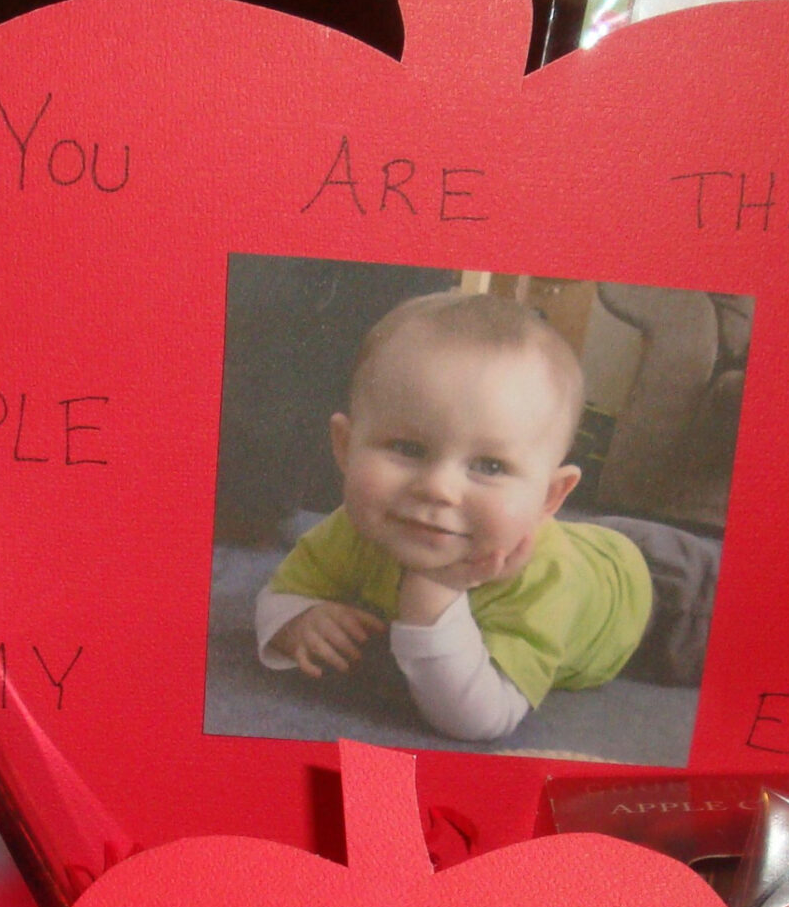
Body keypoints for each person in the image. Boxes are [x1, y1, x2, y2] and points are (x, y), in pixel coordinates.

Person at [256, 289, 716, 744]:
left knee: (771, 632)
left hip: (667, 602)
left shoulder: (541, 579)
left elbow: (479, 718)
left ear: (550, 496)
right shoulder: (353, 527)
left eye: (490, 466)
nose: (438, 488)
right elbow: (284, 590)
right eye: (408, 449)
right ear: (344, 446)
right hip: (598, 545)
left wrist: (434, 593)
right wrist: (298, 619)